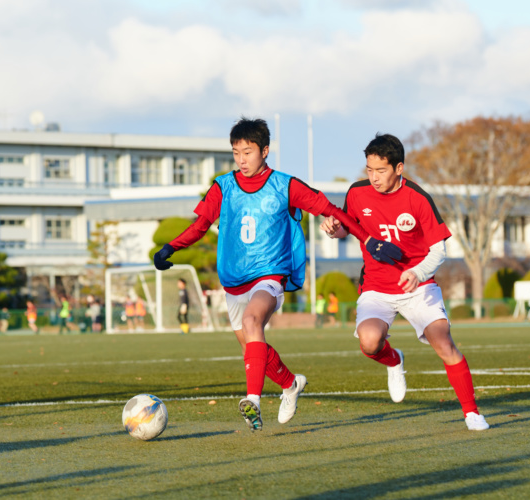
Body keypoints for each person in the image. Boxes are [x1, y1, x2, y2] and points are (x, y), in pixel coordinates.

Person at [153, 117, 400, 432]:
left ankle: (253, 400)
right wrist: (170, 248)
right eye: (236, 152)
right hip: (232, 280)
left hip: (270, 273)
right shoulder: (222, 186)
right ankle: (290, 384)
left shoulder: (285, 185)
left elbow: (331, 210)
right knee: (254, 348)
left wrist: (367, 239)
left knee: (252, 322)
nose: (242, 159)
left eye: (248, 152)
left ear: (265, 151)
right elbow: (200, 226)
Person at [320, 133, 489, 431]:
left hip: (418, 286)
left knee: (443, 342)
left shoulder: (418, 198)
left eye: (381, 170)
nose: (373, 177)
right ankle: (394, 360)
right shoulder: (357, 193)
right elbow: (349, 228)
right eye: (369, 170)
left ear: (399, 168)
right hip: (375, 286)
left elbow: (439, 250)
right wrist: (334, 229)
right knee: (370, 342)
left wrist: (418, 273)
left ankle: (472, 412)